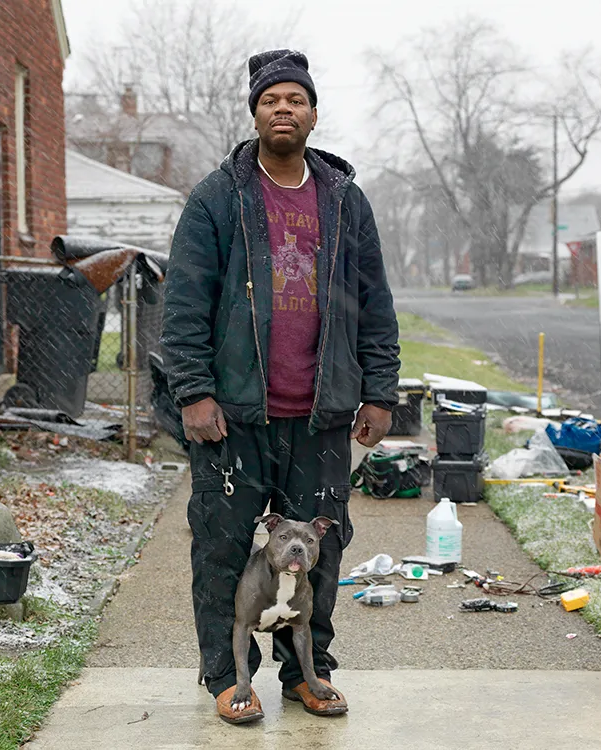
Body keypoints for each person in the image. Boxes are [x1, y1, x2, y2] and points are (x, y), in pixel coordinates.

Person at [161, 48, 400, 724]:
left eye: (296, 99)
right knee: (221, 549)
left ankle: (306, 674)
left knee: (318, 552)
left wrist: (380, 391)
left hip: (320, 417)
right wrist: (193, 392)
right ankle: (226, 676)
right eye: (271, 100)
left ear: (314, 114)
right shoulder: (218, 197)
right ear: (255, 114)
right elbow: (184, 303)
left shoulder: (345, 201)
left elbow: (375, 303)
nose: (284, 109)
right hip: (234, 417)